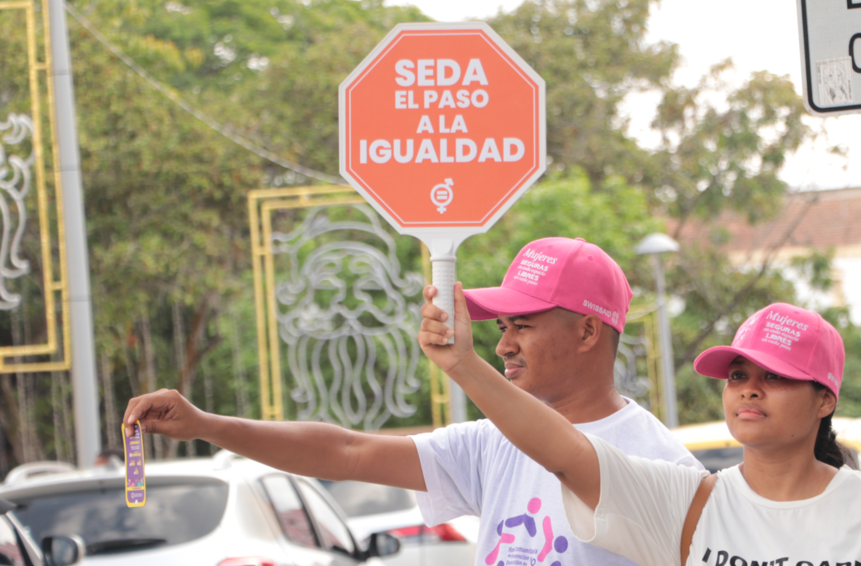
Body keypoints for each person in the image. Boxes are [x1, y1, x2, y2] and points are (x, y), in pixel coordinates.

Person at [124, 237, 702, 566]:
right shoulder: (491, 442)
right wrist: (205, 424)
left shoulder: (664, 468)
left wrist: (465, 366)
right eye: (500, 326)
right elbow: (347, 452)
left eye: (522, 325)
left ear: (587, 332)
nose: (502, 344)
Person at [418, 291, 861, 566]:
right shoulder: (688, 499)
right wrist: (464, 365)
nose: (749, 389)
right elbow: (564, 451)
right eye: (739, 375)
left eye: (776, 377)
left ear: (825, 399)